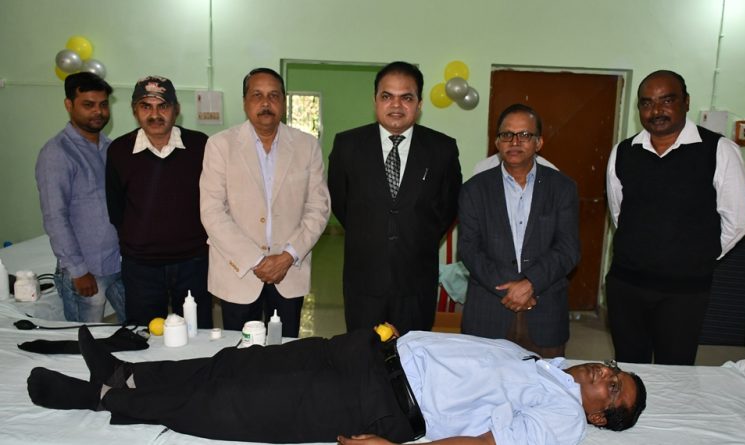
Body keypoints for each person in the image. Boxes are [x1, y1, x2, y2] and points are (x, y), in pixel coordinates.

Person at [27, 325, 646, 445]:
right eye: (616, 373)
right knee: (239, 365)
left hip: (376, 401)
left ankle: (102, 397)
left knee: (236, 406)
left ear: (599, 418)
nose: (606, 377)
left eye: (613, 392)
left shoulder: (562, 419)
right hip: (366, 354)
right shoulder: (543, 363)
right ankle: (126, 371)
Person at [605, 70, 745, 365]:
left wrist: (698, 256)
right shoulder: (623, 152)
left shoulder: (719, 150)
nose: (656, 111)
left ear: (686, 102)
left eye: (666, 100)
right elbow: (620, 212)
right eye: (646, 103)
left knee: (676, 370)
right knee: (628, 366)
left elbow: (738, 221)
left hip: (685, 291)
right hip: (626, 285)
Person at [328, 61, 462, 335]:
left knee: (412, 354)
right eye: (387, 96)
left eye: (406, 97)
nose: (396, 105)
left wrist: (416, 235)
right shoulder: (347, 146)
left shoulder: (442, 149)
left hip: (416, 281)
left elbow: (448, 207)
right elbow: (341, 202)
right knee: (362, 353)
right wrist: (372, 232)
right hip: (364, 279)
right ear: (375, 100)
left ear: (419, 104)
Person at [200, 68, 330, 336]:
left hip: (289, 272)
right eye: (257, 95)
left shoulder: (307, 146)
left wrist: (287, 256)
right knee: (239, 350)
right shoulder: (220, 145)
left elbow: (318, 208)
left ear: (283, 101)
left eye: (273, 95)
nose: (266, 103)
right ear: (244, 102)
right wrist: (257, 260)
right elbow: (212, 212)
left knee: (284, 351)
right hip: (238, 272)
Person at [458, 104, 580, 358]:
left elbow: (568, 249)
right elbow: (469, 249)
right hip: (488, 312)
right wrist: (511, 289)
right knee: (484, 382)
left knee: (545, 381)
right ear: (497, 142)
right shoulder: (473, 189)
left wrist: (531, 283)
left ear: (538, 142)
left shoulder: (563, 188)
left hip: (545, 311)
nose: (514, 142)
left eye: (524, 135)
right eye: (507, 135)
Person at [106, 76, 212, 328]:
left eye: (162, 106)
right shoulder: (119, 151)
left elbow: (215, 200)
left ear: (176, 109)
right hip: (141, 267)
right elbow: (116, 209)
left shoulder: (200, 146)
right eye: (146, 106)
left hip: (193, 263)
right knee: (145, 335)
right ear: (134, 110)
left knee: (197, 332)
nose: (155, 115)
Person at [34, 72, 126, 323]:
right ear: (69, 105)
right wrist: (77, 270)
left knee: (136, 329)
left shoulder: (110, 148)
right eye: (88, 105)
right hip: (86, 270)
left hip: (118, 263)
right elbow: (55, 217)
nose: (98, 112)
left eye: (103, 104)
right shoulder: (57, 153)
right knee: (85, 339)